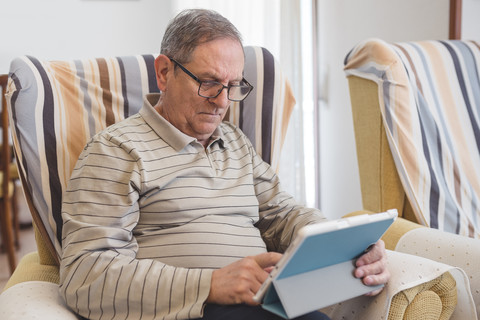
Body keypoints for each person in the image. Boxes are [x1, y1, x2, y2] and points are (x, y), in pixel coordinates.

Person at [59, 8, 389, 320]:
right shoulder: (117, 150)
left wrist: (342, 244)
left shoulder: (234, 142)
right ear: (164, 72)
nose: (222, 102)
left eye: (233, 86)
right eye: (209, 82)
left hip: (263, 304)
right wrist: (211, 285)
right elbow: (84, 275)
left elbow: (281, 213)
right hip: (192, 310)